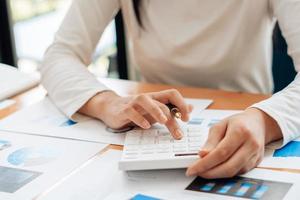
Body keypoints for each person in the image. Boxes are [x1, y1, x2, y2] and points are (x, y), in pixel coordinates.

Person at [40, 0, 300, 178]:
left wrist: (264, 121)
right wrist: (107, 102)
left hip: (246, 124)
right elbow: (60, 55)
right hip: (151, 133)